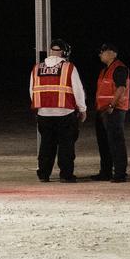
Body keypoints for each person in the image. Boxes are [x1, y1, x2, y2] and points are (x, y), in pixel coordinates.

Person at [29, 38, 86, 183]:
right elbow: (78, 90)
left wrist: (40, 106)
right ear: (64, 52)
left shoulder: (37, 68)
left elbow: (32, 90)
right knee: (66, 145)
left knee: (46, 145)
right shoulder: (68, 67)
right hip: (65, 112)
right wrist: (82, 108)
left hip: (44, 113)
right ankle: (66, 175)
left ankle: (43, 174)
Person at [90, 44, 129, 182]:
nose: (100, 54)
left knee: (116, 142)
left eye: (103, 51)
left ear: (113, 53)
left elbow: (121, 88)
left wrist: (112, 105)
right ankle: (105, 172)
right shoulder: (105, 70)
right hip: (103, 110)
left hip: (114, 111)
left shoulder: (118, 68)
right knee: (104, 143)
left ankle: (120, 174)